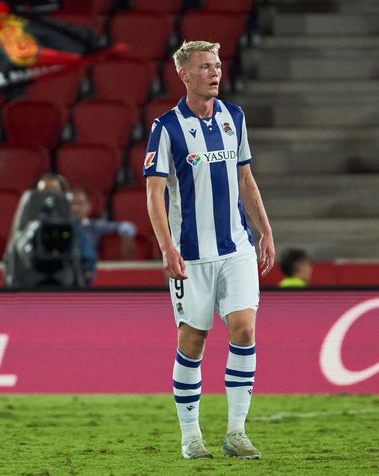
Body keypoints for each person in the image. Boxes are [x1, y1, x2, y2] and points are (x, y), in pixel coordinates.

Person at [144, 40, 275, 460]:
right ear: (184, 75)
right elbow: (154, 193)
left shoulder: (234, 117)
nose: (215, 72)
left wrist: (265, 230)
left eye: (217, 65)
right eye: (205, 67)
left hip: (235, 247)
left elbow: (246, 180)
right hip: (191, 255)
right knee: (192, 342)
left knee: (245, 329)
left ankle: (236, 432)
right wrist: (167, 247)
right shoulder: (165, 128)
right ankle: (191, 437)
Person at [36, 174, 97, 283]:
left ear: (62, 194)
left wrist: (87, 272)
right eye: (44, 190)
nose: (48, 195)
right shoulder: (29, 222)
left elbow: (87, 255)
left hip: (65, 280)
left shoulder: (72, 224)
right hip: (35, 281)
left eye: (53, 190)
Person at [68, 187, 137, 258]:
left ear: (88, 206)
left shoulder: (95, 226)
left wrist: (126, 234)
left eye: (79, 204)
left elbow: (126, 226)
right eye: (71, 204)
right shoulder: (59, 227)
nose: (74, 208)